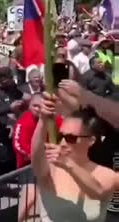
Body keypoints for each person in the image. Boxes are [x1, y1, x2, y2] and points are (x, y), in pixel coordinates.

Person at [32, 93, 117, 222]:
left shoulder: (107, 174)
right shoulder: (51, 169)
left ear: (91, 140)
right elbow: (36, 154)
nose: (64, 143)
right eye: (62, 136)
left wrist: (68, 164)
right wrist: (43, 120)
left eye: (71, 138)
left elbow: (97, 192)